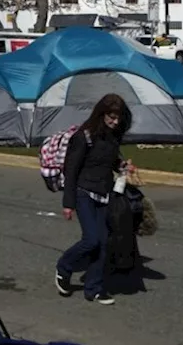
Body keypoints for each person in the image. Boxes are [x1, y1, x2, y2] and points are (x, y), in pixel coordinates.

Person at [55, 93, 132, 306]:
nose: (115, 122)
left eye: (118, 118)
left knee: (104, 242)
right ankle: (64, 267)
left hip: (104, 193)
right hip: (83, 192)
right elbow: (71, 171)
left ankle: (94, 289)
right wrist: (68, 203)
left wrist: (122, 166)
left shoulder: (113, 137)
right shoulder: (84, 136)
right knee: (91, 239)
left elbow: (109, 161)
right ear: (101, 114)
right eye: (111, 117)